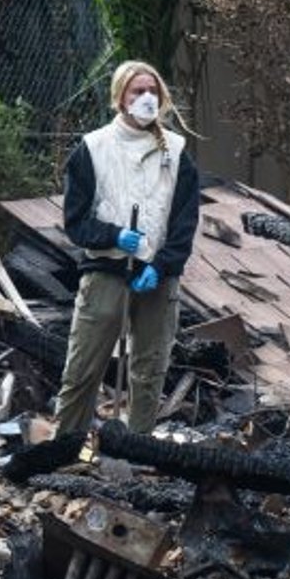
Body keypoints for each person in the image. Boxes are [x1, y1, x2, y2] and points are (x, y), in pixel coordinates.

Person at [53, 60, 200, 437]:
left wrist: (164, 265)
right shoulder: (93, 148)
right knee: (83, 366)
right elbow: (75, 221)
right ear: (120, 98)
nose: (147, 98)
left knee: (149, 369)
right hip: (106, 272)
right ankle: (65, 447)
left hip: (156, 277)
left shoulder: (178, 152)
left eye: (153, 91)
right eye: (138, 91)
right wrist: (113, 236)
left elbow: (184, 223)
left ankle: (139, 451)